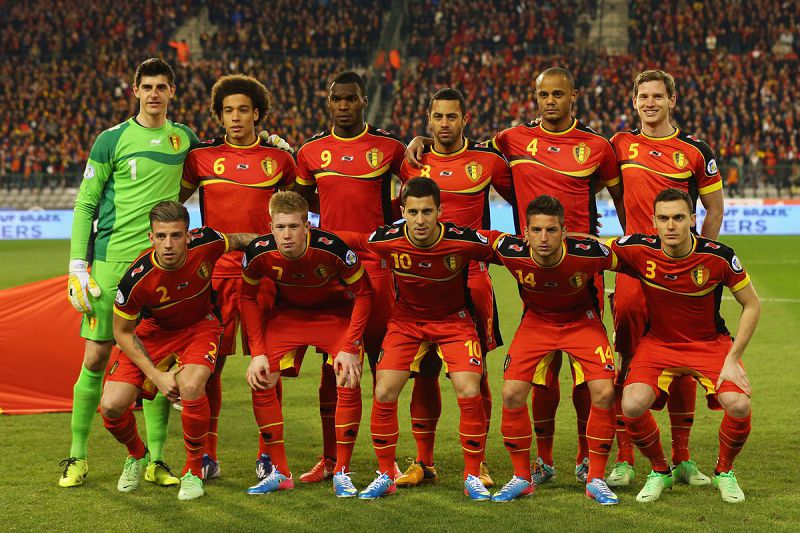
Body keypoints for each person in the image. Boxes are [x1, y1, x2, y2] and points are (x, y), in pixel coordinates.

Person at [408, 67, 624, 486]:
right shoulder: (511, 140)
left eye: (558, 94)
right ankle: (543, 460)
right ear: (535, 97)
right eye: (544, 94)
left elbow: (618, 196)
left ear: (574, 96)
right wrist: (423, 141)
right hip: (533, 267)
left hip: (582, 271)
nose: (550, 101)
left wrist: (595, 233)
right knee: (541, 370)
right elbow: (466, 150)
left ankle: (585, 456)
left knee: (586, 373)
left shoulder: (597, 146)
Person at [62, 58, 199, 488]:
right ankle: (77, 456)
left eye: (162, 86)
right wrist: (78, 264)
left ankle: (156, 460)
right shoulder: (111, 140)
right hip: (112, 263)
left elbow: (209, 169)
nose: (154, 93)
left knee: (157, 359)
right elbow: (86, 202)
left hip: (158, 266)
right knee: (95, 357)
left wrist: (265, 138)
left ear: (172, 92)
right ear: (135, 90)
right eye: (148, 86)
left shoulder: (184, 139)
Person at [341, 177, 498, 501]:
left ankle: (472, 475)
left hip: (454, 321)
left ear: (439, 211)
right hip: (406, 322)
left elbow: (501, 246)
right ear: (403, 212)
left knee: (469, 387)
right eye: (413, 212)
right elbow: (352, 239)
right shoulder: (388, 239)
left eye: (427, 211)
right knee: (384, 390)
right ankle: (385, 475)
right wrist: (305, 237)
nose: (420, 220)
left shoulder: (461, 240)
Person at [608, 70, 725, 488]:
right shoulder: (620, 144)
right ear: (634, 101)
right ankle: (624, 459)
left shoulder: (694, 150)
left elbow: (714, 208)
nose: (650, 103)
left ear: (672, 100)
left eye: (658, 96)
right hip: (636, 269)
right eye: (643, 96)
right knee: (626, 359)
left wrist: (702, 260)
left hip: (682, 273)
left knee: (683, 358)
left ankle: (682, 459)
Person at [179, 74, 297, 480]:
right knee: (210, 366)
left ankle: (268, 454)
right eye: (228, 110)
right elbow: (171, 203)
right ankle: (207, 456)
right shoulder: (200, 158)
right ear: (219, 115)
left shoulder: (279, 160)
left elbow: (301, 204)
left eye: (243, 110)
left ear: (257, 114)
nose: (235, 117)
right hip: (215, 276)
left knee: (266, 365)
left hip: (264, 276)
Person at [395, 87, 513, 489]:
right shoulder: (413, 162)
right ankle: (423, 462)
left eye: (451, 116)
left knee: (476, 374)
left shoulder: (487, 161)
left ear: (466, 119)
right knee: (423, 371)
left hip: (472, 279)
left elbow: (523, 196)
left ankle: (478, 462)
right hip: (421, 281)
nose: (444, 124)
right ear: (429, 119)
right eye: (437, 117)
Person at [609, 188, 759, 503]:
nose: (671, 225)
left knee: (739, 405)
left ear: (692, 219)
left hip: (709, 343)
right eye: (663, 218)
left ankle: (724, 472)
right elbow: (591, 248)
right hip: (659, 343)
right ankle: (660, 470)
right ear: (653, 222)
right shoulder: (639, 250)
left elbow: (752, 304)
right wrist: (553, 239)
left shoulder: (719, 256)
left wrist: (733, 358)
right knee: (631, 404)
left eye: (678, 217)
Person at [100, 201, 256, 500]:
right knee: (111, 406)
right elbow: (122, 332)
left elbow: (240, 239)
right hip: (154, 331)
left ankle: (193, 471)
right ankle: (138, 455)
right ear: (151, 238)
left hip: (200, 326)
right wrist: (156, 376)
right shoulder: (136, 279)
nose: (168, 244)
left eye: (175, 235)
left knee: (191, 385)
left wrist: (276, 243)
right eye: (161, 236)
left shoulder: (207, 242)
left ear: (188, 235)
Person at [293, 70, 406, 483]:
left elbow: (417, 190)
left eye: (351, 98)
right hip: (331, 271)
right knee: (332, 369)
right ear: (328, 102)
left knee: (381, 365)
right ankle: (330, 460)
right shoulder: (311, 152)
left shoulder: (390, 147)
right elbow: (300, 199)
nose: (343, 106)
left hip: (377, 267)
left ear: (363, 101)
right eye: (336, 99)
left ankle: (386, 461)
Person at [239, 191, 372, 498]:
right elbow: (247, 298)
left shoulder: (332, 248)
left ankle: (342, 472)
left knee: (347, 376)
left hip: (334, 314)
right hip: (289, 316)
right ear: (270, 227)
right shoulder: (258, 252)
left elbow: (364, 294)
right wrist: (257, 352)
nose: (287, 235)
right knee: (261, 378)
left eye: (294, 227)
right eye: (280, 227)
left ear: (307, 226)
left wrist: (350, 345)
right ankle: (280, 472)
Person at [489, 195, 618, 504]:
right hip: (537, 322)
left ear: (564, 232)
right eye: (536, 230)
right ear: (525, 233)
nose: (543, 238)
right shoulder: (510, 251)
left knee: (603, 391)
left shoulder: (588, 254)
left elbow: (630, 257)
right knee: (511, 392)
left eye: (551, 230)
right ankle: (522, 477)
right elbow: (467, 240)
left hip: (581, 322)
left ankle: (596, 478)